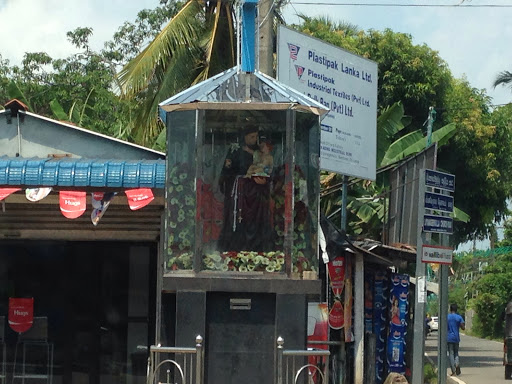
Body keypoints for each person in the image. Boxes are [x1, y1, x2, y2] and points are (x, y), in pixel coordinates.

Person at [218, 125, 273, 252]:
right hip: (239, 191)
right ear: (245, 137)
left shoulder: (260, 153)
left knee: (256, 219)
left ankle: (256, 247)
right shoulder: (235, 149)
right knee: (237, 218)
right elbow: (227, 170)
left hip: (256, 193)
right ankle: (235, 248)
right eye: (252, 137)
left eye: (256, 137)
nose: (255, 139)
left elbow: (268, 171)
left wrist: (264, 181)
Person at [447, 303, 465, 376]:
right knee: (456, 353)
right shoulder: (459, 317)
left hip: (448, 337)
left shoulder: (447, 317)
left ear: (450, 309)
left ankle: (453, 370)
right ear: (456, 309)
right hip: (456, 338)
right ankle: (457, 363)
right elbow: (463, 327)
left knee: (451, 353)